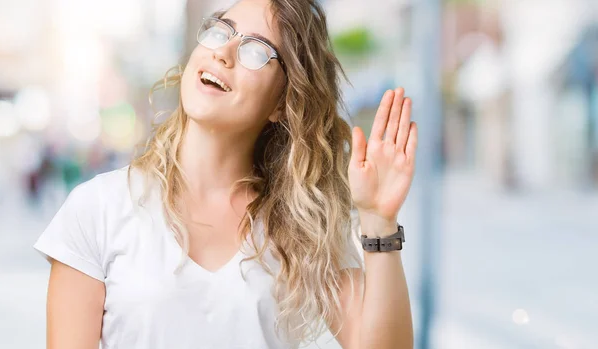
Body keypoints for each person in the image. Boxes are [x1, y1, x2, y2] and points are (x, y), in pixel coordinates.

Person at [33, 0, 418, 348]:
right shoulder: (97, 208)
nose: (224, 52)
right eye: (221, 30)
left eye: (257, 50)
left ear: (282, 104)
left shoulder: (302, 227)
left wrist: (380, 221)